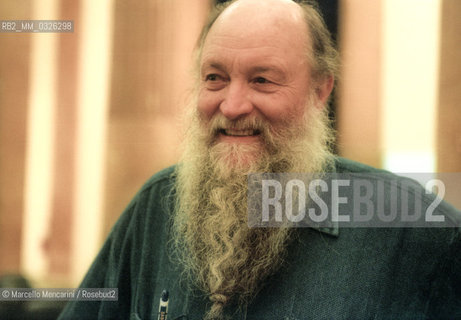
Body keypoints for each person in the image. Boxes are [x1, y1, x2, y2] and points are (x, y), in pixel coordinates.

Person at [59, 0, 461, 319]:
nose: (232, 106)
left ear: (320, 91)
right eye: (214, 77)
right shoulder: (154, 208)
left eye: (262, 80)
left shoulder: (414, 229)